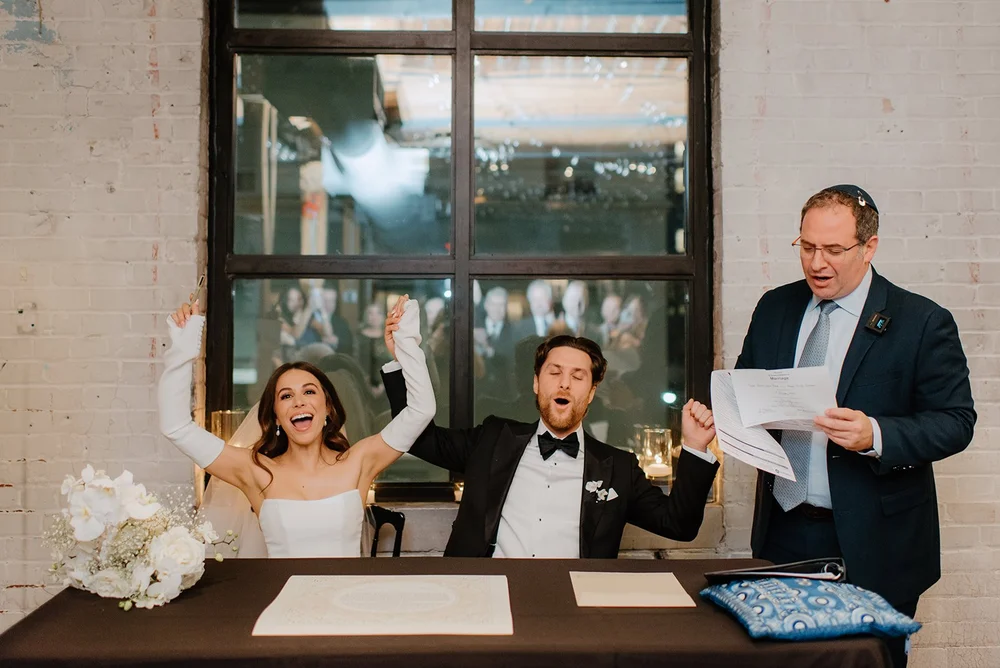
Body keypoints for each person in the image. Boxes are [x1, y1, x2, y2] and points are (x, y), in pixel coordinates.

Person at [735, 184, 976, 667]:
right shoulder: (774, 307)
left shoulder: (922, 321)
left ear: (869, 247)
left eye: (833, 250)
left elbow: (956, 421)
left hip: (875, 545)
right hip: (782, 532)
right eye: (806, 247)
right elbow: (749, 390)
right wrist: (726, 418)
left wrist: (877, 435)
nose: (816, 263)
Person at [381, 329, 720, 558]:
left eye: (577, 376)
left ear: (591, 393)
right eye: (554, 372)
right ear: (536, 383)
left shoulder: (618, 467)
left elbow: (680, 525)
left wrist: (694, 447)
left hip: (575, 608)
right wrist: (402, 361)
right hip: (485, 594)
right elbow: (418, 438)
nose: (564, 384)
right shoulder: (492, 439)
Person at [158, 294, 435, 558]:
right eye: (286, 396)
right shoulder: (255, 471)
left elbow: (420, 411)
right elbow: (176, 427)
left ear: (328, 407)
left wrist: (406, 346)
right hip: (283, 601)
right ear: (276, 416)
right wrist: (182, 350)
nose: (299, 402)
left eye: (309, 392)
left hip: (345, 600)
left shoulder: (358, 461)